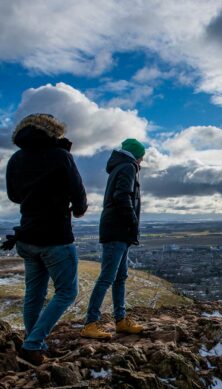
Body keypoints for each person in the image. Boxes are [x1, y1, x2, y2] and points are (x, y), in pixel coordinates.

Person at [4, 113, 87, 365]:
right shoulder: (61, 156)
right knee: (66, 292)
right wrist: (77, 207)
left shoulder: (16, 158)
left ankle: (35, 345)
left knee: (34, 294)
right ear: (54, 131)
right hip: (55, 236)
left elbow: (14, 196)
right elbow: (78, 194)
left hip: (27, 236)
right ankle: (32, 344)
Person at [81, 138, 145, 339]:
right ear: (137, 155)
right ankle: (90, 323)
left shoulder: (121, 166)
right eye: (142, 156)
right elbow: (122, 196)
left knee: (120, 277)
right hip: (118, 229)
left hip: (119, 229)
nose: (143, 161)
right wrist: (133, 221)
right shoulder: (128, 167)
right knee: (108, 277)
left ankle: (121, 320)